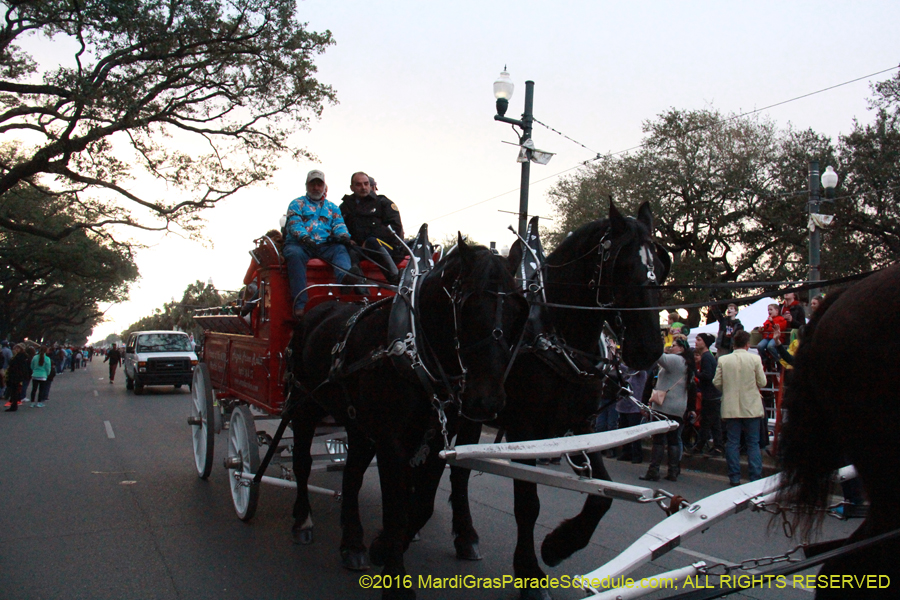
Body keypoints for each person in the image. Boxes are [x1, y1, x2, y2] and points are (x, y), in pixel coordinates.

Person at [283, 169, 354, 320]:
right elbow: (294, 224)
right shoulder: (297, 203)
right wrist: (304, 238)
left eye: (319, 184)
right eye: (312, 184)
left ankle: (346, 286)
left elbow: (339, 225)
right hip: (300, 244)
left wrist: (343, 236)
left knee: (340, 250)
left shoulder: (332, 207)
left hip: (324, 245)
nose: (316, 187)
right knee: (294, 255)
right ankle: (300, 304)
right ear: (307, 186)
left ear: (324, 186)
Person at [713, 329, 767, 486]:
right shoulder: (755, 359)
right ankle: (755, 476)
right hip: (751, 405)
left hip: (730, 406)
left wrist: (727, 390)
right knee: (753, 443)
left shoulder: (724, 360)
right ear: (748, 344)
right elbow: (762, 382)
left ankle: (734, 476)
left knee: (732, 442)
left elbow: (716, 382)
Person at [640, 337, 695, 482]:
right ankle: (673, 470)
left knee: (658, 439)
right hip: (679, 406)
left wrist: (658, 342)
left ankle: (654, 470)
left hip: (664, 404)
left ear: (681, 349)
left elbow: (658, 356)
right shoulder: (687, 364)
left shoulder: (675, 360)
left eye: (674, 346)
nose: (671, 348)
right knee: (674, 439)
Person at [339, 172, 405, 284]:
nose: (363, 187)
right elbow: (338, 226)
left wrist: (368, 240)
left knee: (372, 242)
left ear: (370, 185)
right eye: (359, 185)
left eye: (366, 184)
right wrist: (346, 239)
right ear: (352, 187)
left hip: (386, 248)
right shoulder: (345, 207)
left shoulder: (383, 203)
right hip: (358, 249)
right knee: (348, 249)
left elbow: (395, 228)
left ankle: (395, 279)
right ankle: (360, 290)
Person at [693, 333, 724, 456]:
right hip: (713, 394)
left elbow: (708, 375)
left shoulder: (706, 357)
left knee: (706, 422)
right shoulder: (708, 356)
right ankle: (717, 446)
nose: (696, 342)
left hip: (710, 395)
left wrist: (695, 373)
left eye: (699, 340)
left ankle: (701, 446)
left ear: (705, 343)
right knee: (714, 423)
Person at [616, 366, 649, 463]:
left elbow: (638, 368)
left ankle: (637, 454)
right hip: (623, 406)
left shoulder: (641, 373)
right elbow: (621, 367)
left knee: (634, 432)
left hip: (634, 407)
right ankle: (626, 452)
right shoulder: (627, 373)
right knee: (624, 431)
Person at [4, 344, 30, 412]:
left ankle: (14, 405)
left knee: (14, 391)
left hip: (16, 376)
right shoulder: (18, 356)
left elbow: (16, 366)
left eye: (17, 348)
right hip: (15, 375)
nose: (15, 350)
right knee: (14, 391)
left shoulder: (20, 357)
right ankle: (14, 404)